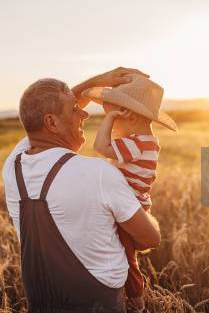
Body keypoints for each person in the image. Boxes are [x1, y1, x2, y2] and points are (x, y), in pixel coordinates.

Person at [2, 68, 161, 313]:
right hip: (100, 305)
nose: (84, 111)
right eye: (75, 109)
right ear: (52, 122)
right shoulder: (99, 174)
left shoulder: (13, 163)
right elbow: (149, 239)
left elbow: (39, 116)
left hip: (40, 303)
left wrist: (97, 83)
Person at [82, 74, 177, 311]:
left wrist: (111, 118)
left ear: (130, 117)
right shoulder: (147, 141)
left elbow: (100, 147)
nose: (111, 125)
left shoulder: (137, 143)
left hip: (129, 206)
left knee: (125, 256)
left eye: (111, 118)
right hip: (136, 203)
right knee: (121, 253)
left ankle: (136, 300)